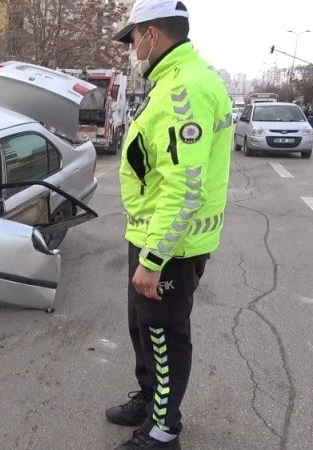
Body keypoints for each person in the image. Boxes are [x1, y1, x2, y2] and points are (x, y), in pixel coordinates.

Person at [106, 1, 232, 449]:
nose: (131, 49)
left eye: (132, 39)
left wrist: (154, 258)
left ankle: (163, 429)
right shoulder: (173, 81)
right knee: (143, 328)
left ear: (152, 34)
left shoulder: (185, 89)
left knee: (163, 335)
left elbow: (186, 187)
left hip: (171, 246)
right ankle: (150, 399)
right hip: (151, 235)